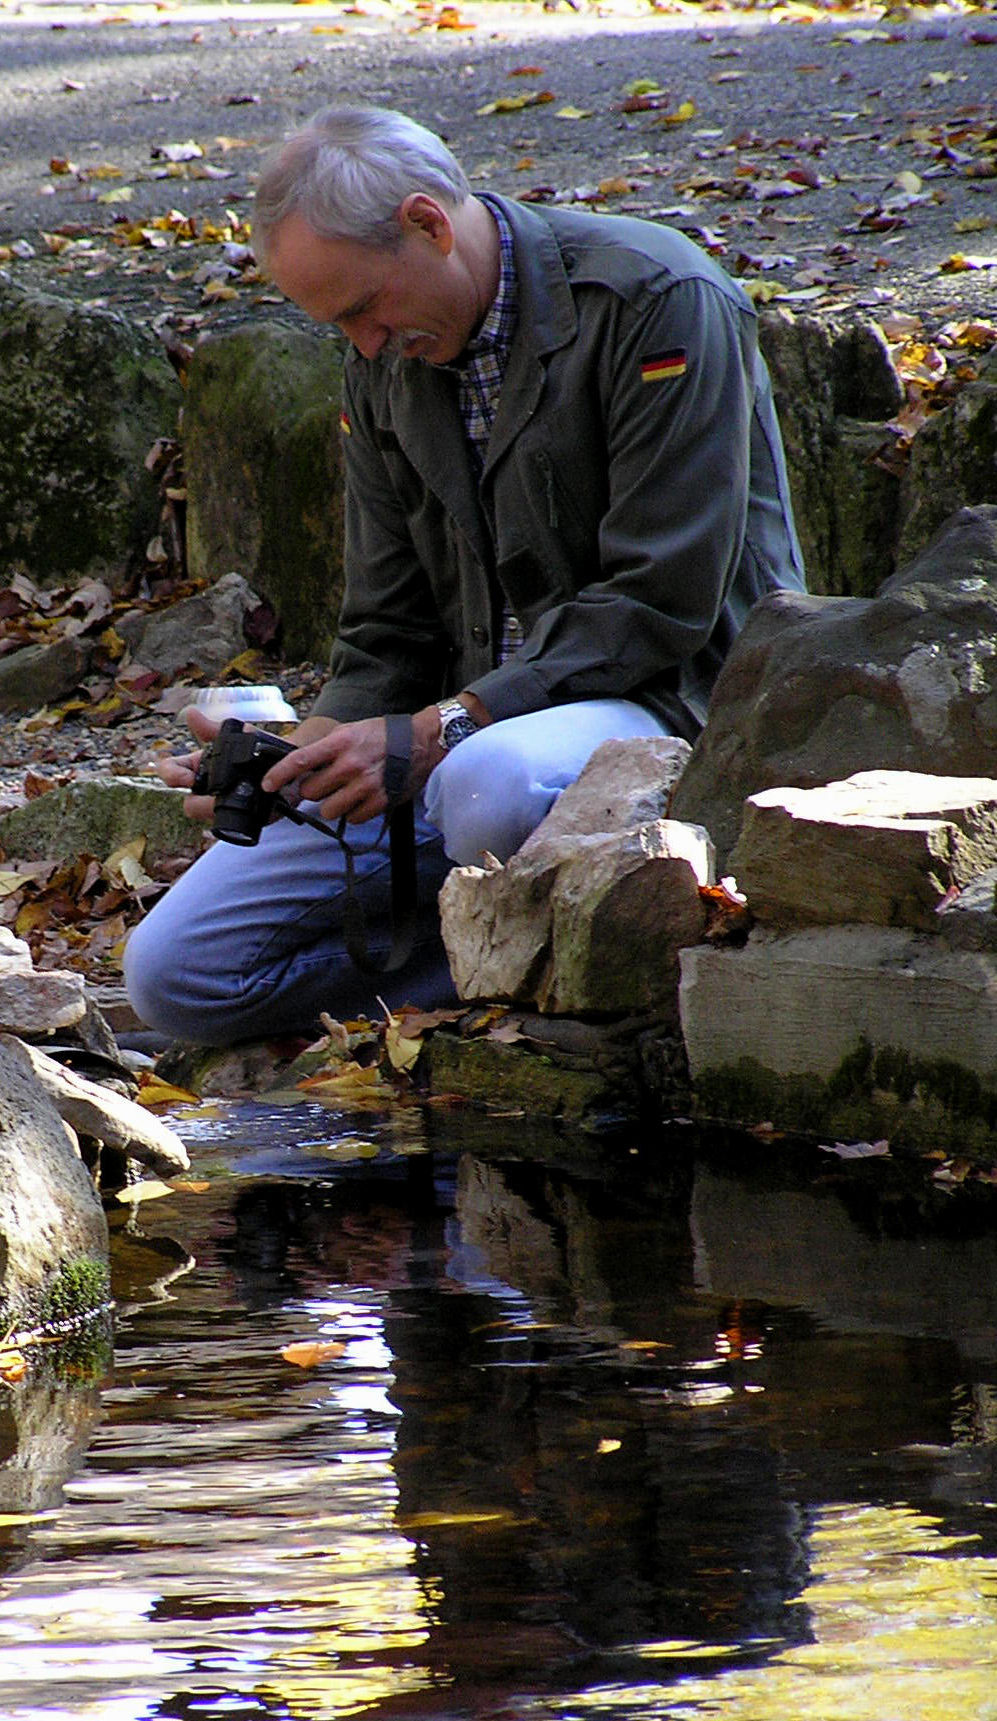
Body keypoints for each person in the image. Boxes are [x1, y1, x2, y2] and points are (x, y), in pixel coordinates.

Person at [124, 104, 804, 1046]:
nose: (361, 346)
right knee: (172, 978)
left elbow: (659, 605)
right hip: (455, 743)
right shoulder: (387, 358)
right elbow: (386, 630)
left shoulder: (656, 299)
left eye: (363, 309)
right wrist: (303, 760)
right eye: (338, 325)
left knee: (486, 782)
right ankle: (480, 968)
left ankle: (561, 964)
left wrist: (440, 728)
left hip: (664, 702)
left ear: (428, 225)